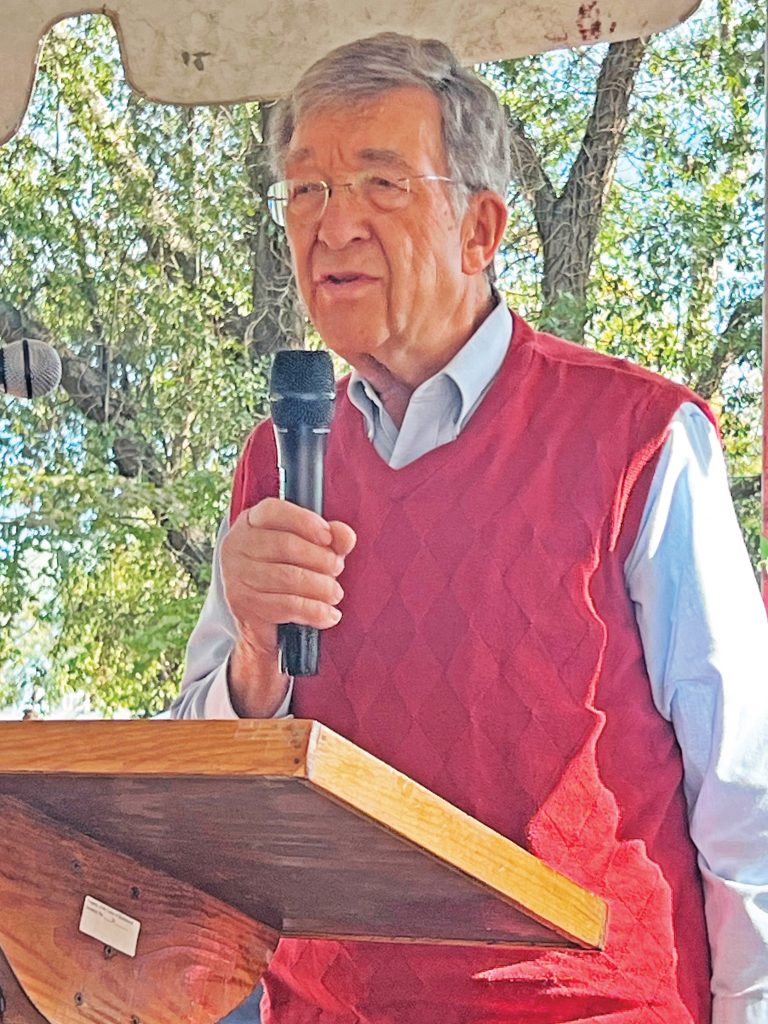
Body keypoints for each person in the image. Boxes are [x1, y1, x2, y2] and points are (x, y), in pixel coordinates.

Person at [171, 32, 768, 1024]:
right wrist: (254, 664)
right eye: (306, 189)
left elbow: (746, 788)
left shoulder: (642, 440)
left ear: (480, 229)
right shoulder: (277, 459)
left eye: (381, 183)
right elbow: (203, 798)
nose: (333, 226)